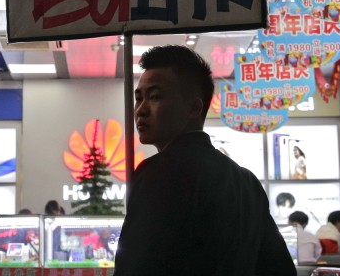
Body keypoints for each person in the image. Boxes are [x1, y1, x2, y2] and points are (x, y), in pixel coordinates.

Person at [113, 45, 295, 276]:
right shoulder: (247, 183)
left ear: (194, 108)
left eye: (155, 97)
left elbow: (136, 266)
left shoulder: (158, 173)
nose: (140, 110)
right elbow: (279, 268)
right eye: (139, 98)